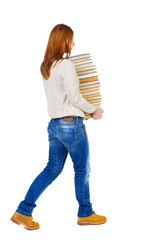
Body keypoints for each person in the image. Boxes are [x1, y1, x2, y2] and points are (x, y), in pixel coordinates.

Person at [10, 23, 107, 230]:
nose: (74, 43)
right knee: (82, 169)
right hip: (71, 126)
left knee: (50, 170)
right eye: (71, 39)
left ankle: (24, 210)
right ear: (63, 40)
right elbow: (74, 97)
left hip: (54, 126)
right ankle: (86, 212)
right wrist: (94, 110)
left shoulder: (47, 66)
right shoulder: (66, 65)